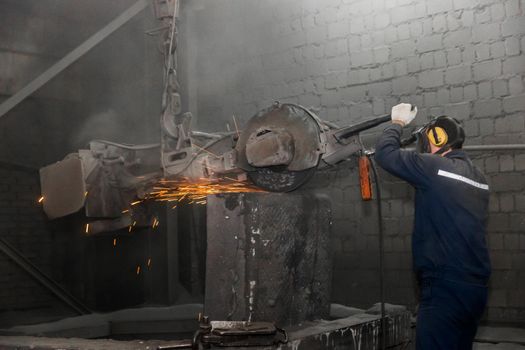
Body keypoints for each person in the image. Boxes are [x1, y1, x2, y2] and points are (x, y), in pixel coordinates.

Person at [374, 103, 491, 350]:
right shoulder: (479, 178)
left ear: (437, 139)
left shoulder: (434, 168)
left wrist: (397, 123)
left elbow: (385, 154)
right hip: (476, 289)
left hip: (444, 287)